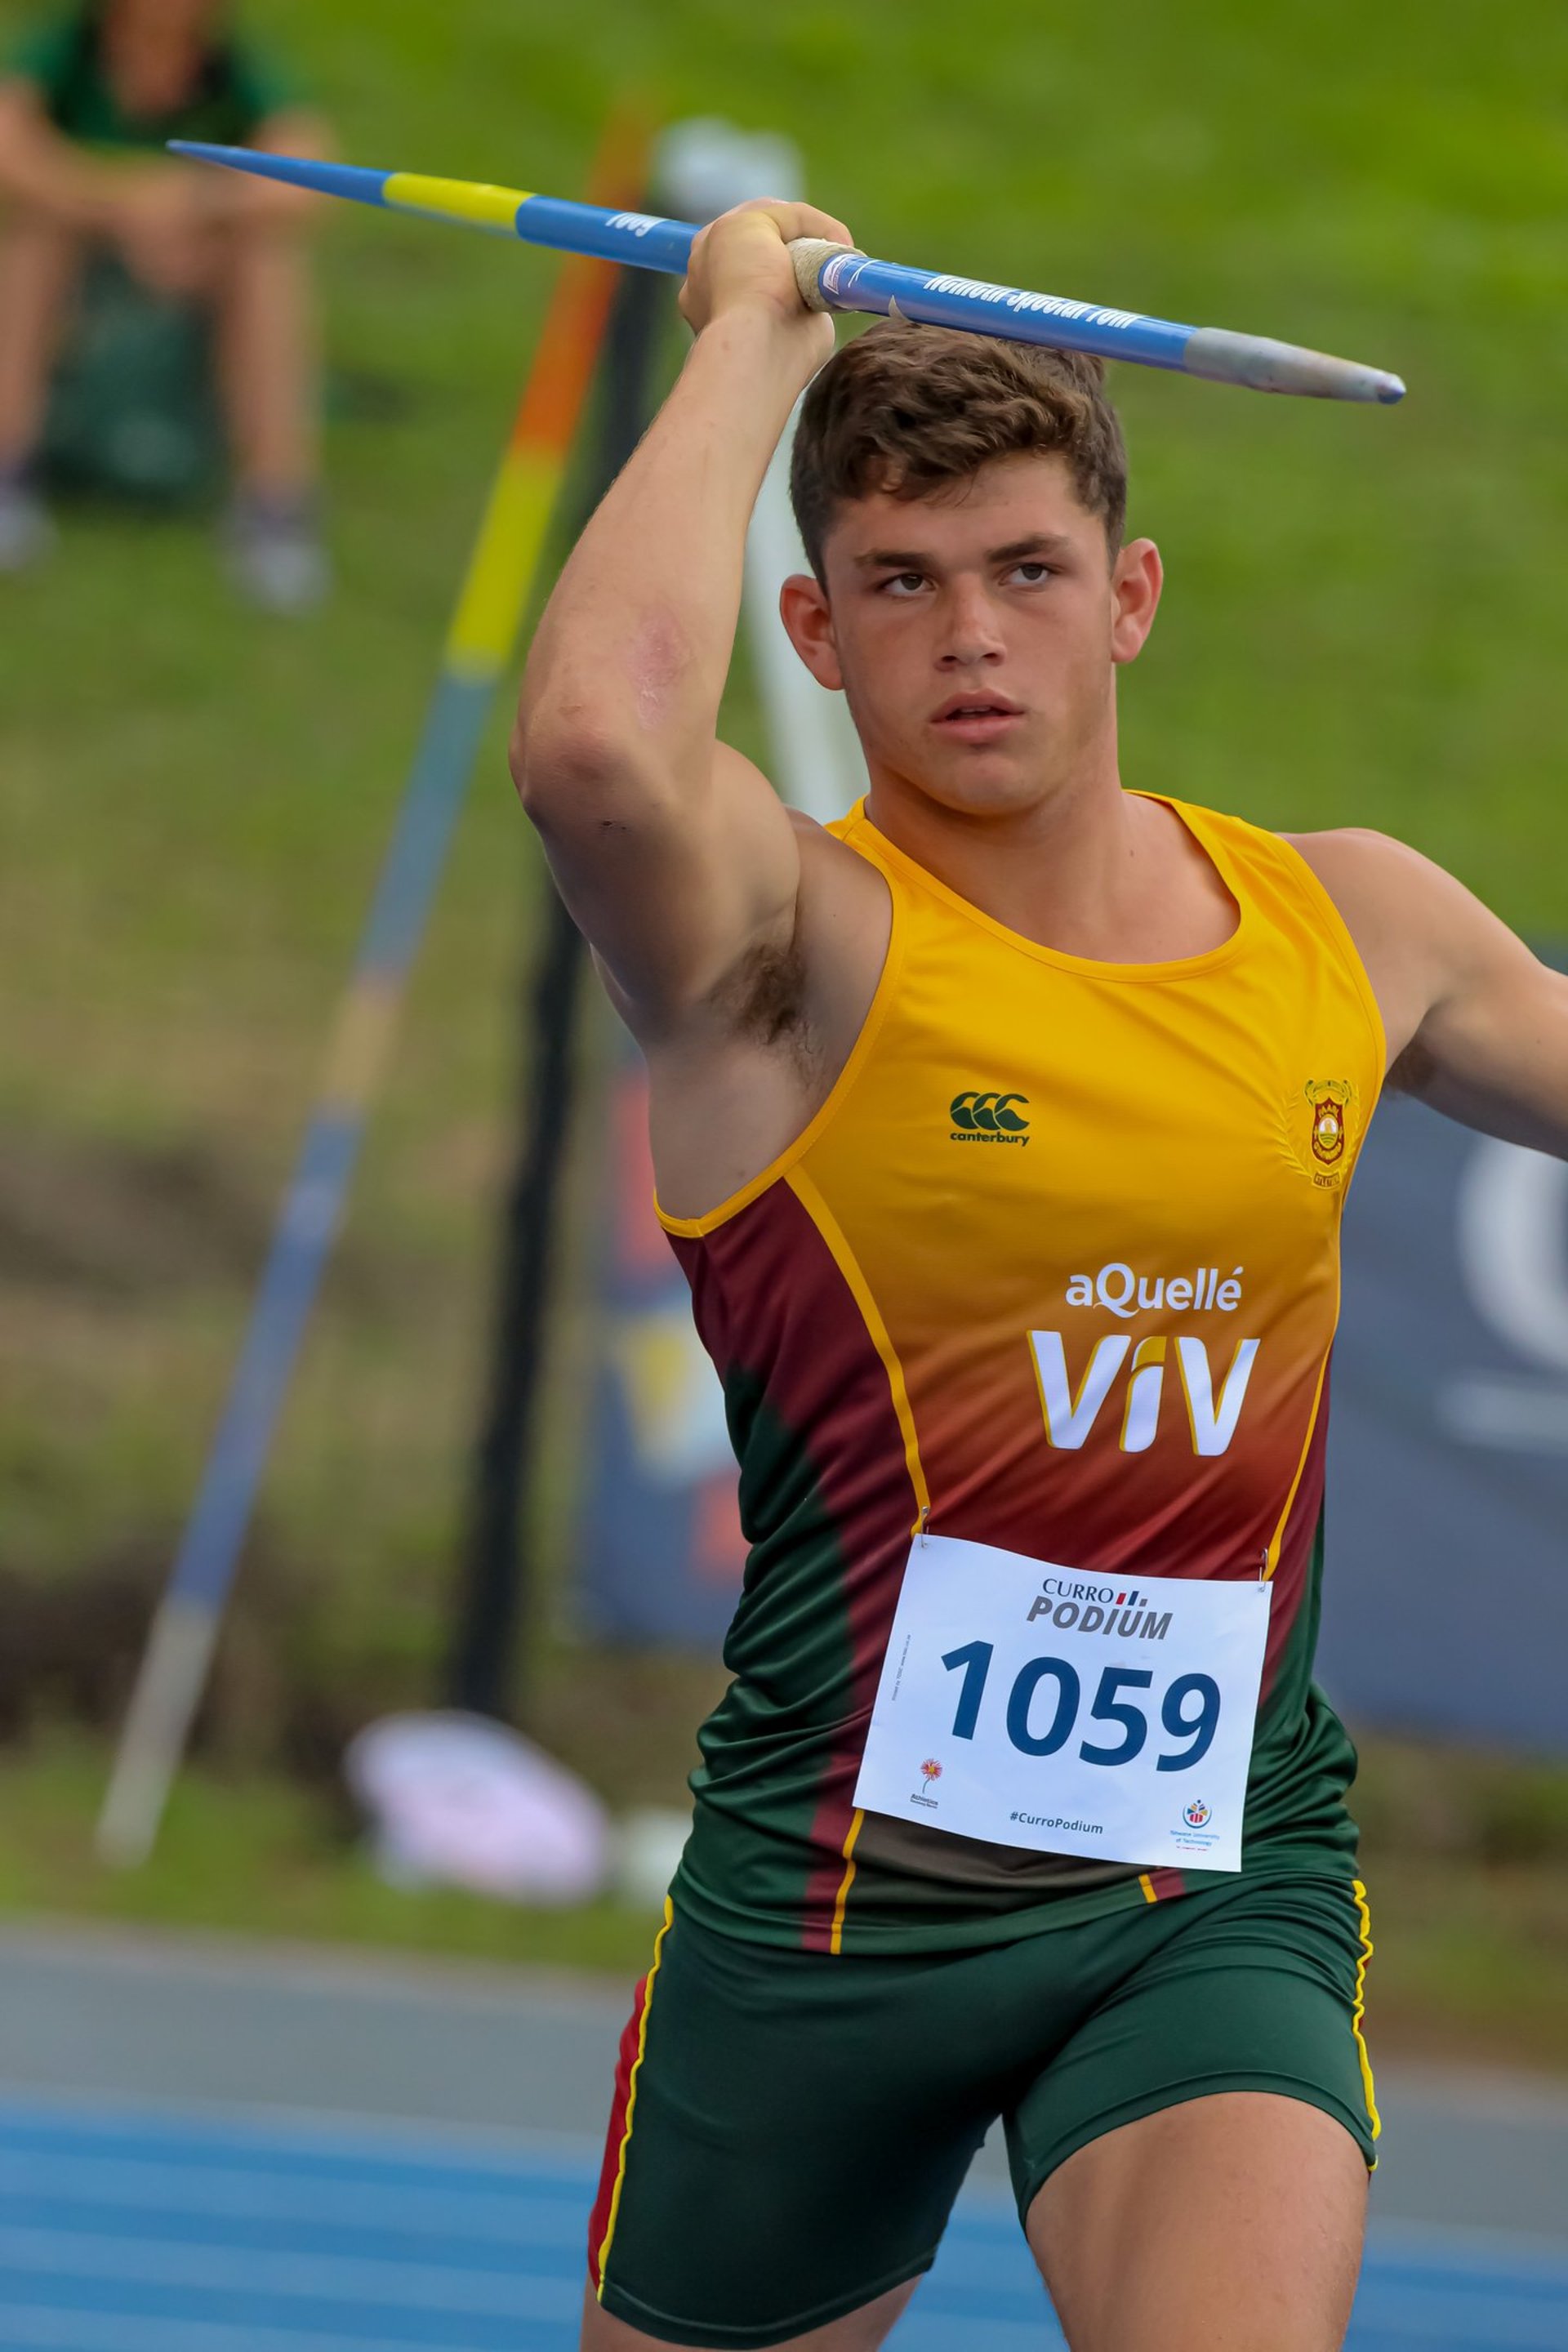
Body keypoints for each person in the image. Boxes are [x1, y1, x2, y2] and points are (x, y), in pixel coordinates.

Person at [513, 200, 1568, 2352]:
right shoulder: (778, 955)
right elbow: (600, 752)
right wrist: (745, 336)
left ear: (1131, 598)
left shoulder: (1351, 929)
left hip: (1210, 1889)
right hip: (834, 1905)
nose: (969, 638)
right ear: (810, 634)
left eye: (1025, 574)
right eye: (901, 585)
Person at [0, 0, 330, 609]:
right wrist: (122, 205)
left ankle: (275, 504)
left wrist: (192, 207)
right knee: (35, 239)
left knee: (265, 263)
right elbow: (11, 151)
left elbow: (306, 177)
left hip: (190, 264)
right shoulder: (68, 51)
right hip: (82, 257)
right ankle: (8, 466)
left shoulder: (233, 68)